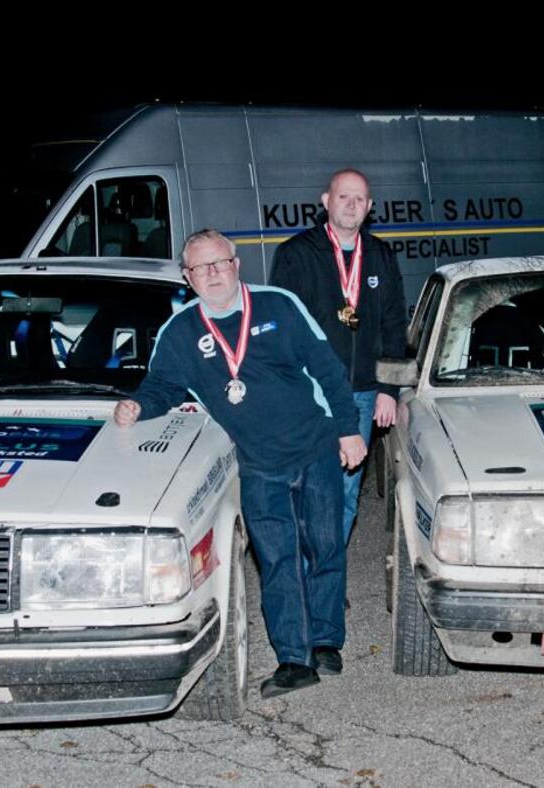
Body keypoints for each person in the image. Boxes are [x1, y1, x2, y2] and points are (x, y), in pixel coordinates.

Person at [114, 229, 366, 698]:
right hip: (255, 463)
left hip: (314, 447)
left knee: (325, 546)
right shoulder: (181, 332)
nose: (212, 274)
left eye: (219, 263)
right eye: (200, 268)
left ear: (236, 264)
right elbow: (162, 388)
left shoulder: (279, 305)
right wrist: (137, 407)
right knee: (277, 559)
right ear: (187, 278)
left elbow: (328, 368)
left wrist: (349, 429)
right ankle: (294, 658)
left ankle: (327, 641)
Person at [271, 168, 408, 546]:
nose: (351, 205)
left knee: (345, 495)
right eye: (343, 196)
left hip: (364, 396)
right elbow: (283, 331)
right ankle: (305, 578)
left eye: (359, 198)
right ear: (325, 201)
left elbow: (395, 326)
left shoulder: (380, 255)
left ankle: (328, 580)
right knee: (308, 491)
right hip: (312, 397)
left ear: (370, 207)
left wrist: (388, 389)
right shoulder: (295, 255)